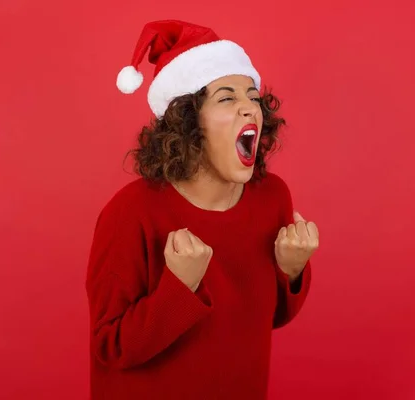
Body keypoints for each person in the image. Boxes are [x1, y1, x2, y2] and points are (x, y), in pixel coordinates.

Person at [85, 19, 320, 399]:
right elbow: (110, 346)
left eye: (253, 97)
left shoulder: (272, 198)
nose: (249, 109)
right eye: (227, 98)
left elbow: (271, 319)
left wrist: (292, 271)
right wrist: (180, 288)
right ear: (186, 121)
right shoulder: (130, 213)